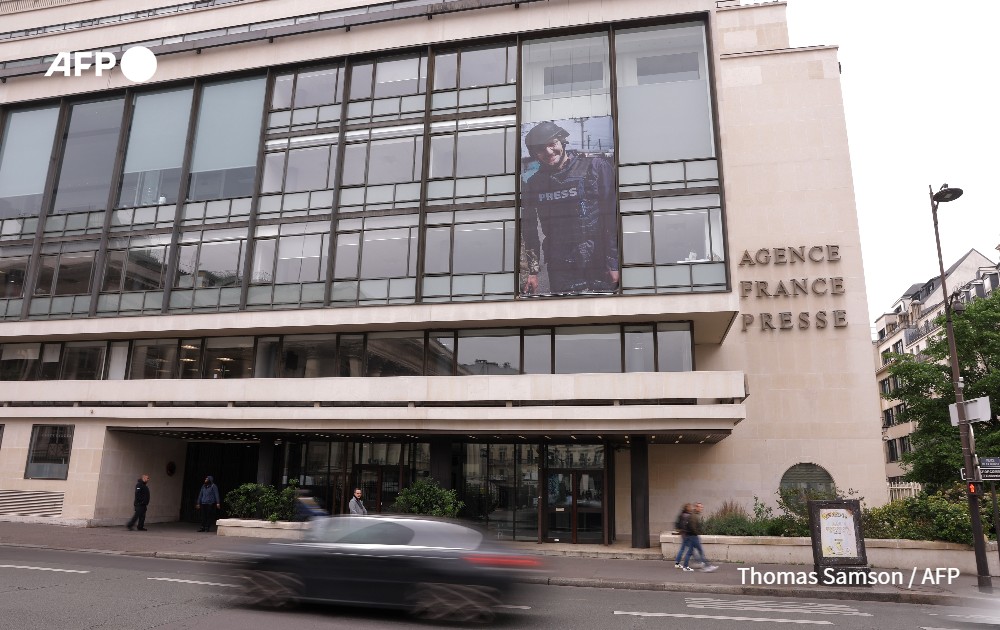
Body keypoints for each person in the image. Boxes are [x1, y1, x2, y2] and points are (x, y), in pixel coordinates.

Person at [520, 120, 619, 295]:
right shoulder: (533, 183)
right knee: (566, 315)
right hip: (561, 266)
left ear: (562, 141)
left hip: (598, 261)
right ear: (534, 153)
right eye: (540, 149)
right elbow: (529, 230)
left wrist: (613, 262)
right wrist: (532, 271)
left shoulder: (595, 168)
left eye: (552, 144)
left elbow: (613, 217)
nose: (549, 152)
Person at [681, 502, 718, 572]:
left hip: (691, 536)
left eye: (702, 507)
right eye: (700, 507)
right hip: (693, 536)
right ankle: (707, 566)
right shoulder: (694, 516)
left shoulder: (693, 515)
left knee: (690, 552)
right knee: (700, 551)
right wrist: (697, 532)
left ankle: (686, 566)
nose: (701, 509)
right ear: (696, 507)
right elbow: (693, 527)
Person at [673, 503, 692, 569]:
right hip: (686, 535)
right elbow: (686, 526)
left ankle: (677, 563)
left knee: (682, 549)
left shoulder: (682, 515)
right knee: (691, 549)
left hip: (683, 534)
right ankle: (686, 565)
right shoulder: (686, 516)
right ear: (687, 508)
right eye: (690, 507)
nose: (691, 508)